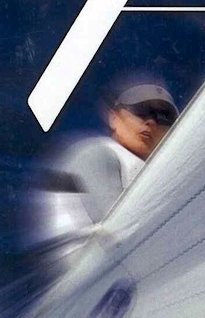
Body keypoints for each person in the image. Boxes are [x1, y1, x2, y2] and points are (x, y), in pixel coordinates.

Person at [32, 83, 179, 260]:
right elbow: (118, 225)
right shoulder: (98, 153)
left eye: (164, 117)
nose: (152, 122)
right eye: (142, 111)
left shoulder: (149, 170)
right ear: (114, 118)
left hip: (128, 267)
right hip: (89, 272)